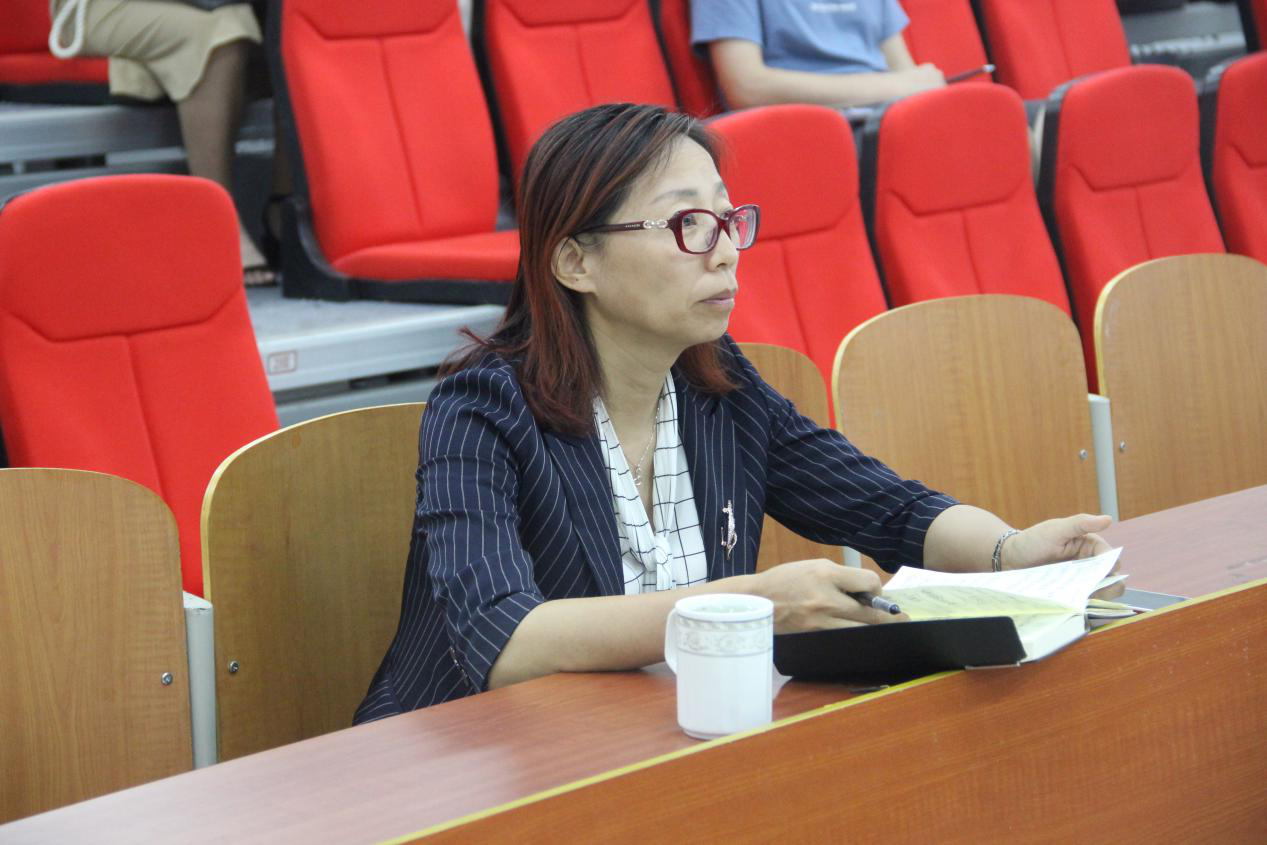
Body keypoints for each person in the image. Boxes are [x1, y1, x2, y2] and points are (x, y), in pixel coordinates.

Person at [354, 103, 1114, 722]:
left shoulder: (719, 388)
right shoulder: (482, 410)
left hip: (660, 736)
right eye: (687, 225)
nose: (724, 252)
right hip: (468, 769)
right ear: (575, 261)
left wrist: (1008, 552)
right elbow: (506, 642)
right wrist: (750, 603)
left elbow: (890, 509)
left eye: (727, 221)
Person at [48, 0, 276, 285]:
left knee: (282, 25)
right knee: (221, 33)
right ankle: (215, 220)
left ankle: (285, 211)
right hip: (103, 9)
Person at [691, 0, 945, 109]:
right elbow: (746, 88)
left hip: (890, 118)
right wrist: (895, 87)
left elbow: (907, 74)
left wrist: (913, 86)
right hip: (807, 131)